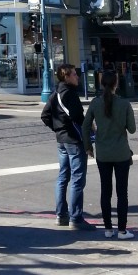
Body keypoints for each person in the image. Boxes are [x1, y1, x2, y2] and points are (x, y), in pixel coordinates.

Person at [82, 69, 136, 240]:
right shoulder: (124, 104)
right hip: (121, 153)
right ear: (116, 84)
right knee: (122, 193)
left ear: (101, 83)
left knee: (106, 191)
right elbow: (132, 129)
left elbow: (85, 126)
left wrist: (88, 146)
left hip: (103, 154)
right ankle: (122, 230)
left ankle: (107, 229)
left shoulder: (95, 103)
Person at [41, 64, 93, 231]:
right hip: (74, 141)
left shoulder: (55, 94)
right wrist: (88, 141)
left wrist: (58, 129)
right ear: (67, 77)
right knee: (78, 179)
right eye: (74, 74)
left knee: (63, 177)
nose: (77, 77)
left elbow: (45, 115)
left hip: (61, 140)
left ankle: (61, 214)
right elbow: (79, 119)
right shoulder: (70, 94)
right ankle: (76, 217)